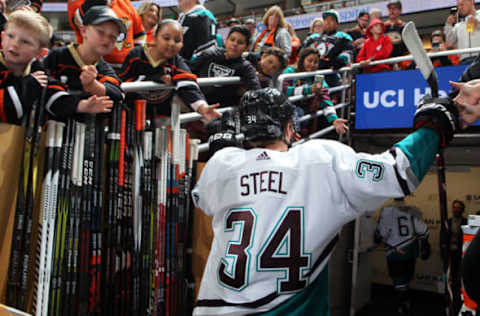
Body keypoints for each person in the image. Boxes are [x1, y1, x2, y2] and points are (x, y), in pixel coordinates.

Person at [191, 87, 459, 315]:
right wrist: (433, 127)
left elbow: (204, 199)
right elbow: (399, 172)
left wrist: (220, 149)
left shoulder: (223, 165)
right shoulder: (320, 158)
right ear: (288, 127)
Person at [0, 10, 105, 124]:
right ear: (2, 37)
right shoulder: (33, 80)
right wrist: (28, 85)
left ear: (40, 53)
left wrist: (82, 105)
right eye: (10, 36)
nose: (14, 44)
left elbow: (52, 94)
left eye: (25, 42)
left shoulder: (37, 71)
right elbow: (5, 110)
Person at [118, 19, 220, 122]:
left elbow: (188, 85)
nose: (171, 43)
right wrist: (154, 78)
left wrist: (203, 108)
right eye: (166, 38)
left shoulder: (176, 60)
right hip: (132, 116)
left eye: (177, 40)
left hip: (161, 116)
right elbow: (122, 83)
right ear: (154, 38)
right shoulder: (136, 55)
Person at [44, 5, 124, 116]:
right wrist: (80, 105)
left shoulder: (103, 67)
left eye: (113, 36)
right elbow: (45, 92)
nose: (106, 39)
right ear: (83, 31)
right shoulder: (56, 57)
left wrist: (92, 85)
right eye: (100, 32)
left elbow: (118, 94)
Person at [374, 197, 430, 315]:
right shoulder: (413, 210)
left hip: (396, 252)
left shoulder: (387, 210)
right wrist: (424, 245)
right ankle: (405, 304)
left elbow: (382, 234)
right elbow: (424, 230)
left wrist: (377, 236)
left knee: (399, 283)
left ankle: (402, 307)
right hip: (411, 252)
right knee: (406, 280)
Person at [190, 25, 261, 108]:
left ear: (247, 47)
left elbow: (256, 89)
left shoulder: (245, 67)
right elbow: (189, 70)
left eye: (240, 42)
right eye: (232, 40)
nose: (235, 44)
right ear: (226, 41)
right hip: (198, 105)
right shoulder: (209, 54)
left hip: (222, 112)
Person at [282, 47, 348, 135]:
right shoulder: (290, 71)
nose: (312, 64)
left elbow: (325, 99)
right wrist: (309, 90)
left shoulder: (318, 78)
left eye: (316, 62)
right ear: (302, 60)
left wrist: (334, 119)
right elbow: (284, 90)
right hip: (288, 109)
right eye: (309, 61)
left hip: (307, 112)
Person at [68, 0, 146, 70]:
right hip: (93, 68)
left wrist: (135, 59)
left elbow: (139, 34)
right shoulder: (77, 2)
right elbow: (78, 21)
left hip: (126, 69)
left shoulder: (125, 2)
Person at [301, 10, 353, 88]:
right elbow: (302, 53)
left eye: (331, 20)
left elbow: (349, 53)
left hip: (330, 73)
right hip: (310, 72)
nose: (328, 22)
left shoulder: (342, 37)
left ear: (337, 23)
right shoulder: (312, 37)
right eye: (326, 20)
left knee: (321, 92)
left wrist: (338, 62)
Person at [447, 200, 468, 315]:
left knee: (460, 280)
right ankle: (452, 303)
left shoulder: (466, 222)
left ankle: (461, 302)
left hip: (461, 255)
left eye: (459, 208)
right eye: (454, 207)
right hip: (450, 255)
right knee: (450, 280)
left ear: (462, 209)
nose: (456, 209)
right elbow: (443, 239)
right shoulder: (447, 222)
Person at [444, 0, 480, 65]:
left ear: (472, 2)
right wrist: (448, 25)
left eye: (462, 4)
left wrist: (478, 23)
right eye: (458, 6)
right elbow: (449, 43)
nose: (460, 8)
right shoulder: (458, 25)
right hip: (464, 61)